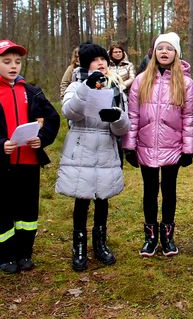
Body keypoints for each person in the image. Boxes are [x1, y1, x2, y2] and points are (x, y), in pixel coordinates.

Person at [56, 42, 130, 272]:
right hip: (82, 148)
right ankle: (79, 247)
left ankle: (100, 244)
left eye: (103, 59)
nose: (101, 63)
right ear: (86, 64)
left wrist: (116, 118)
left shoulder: (115, 87)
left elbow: (123, 127)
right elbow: (70, 112)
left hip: (106, 148)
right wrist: (86, 89)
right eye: (96, 60)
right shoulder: (75, 85)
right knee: (82, 199)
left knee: (102, 198)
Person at [123, 32, 193, 257]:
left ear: (176, 53)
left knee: (169, 191)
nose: (164, 52)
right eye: (160, 48)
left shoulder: (186, 83)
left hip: (172, 147)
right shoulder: (141, 80)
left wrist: (188, 149)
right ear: (154, 52)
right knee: (149, 191)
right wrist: (129, 146)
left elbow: (189, 118)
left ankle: (167, 237)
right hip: (146, 146)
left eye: (169, 48)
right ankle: (150, 237)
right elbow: (133, 115)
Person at [0, 40, 60, 274]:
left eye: (17, 62)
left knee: (28, 211)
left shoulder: (32, 91)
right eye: (6, 62)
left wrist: (41, 139)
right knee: (5, 209)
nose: (13, 66)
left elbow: (52, 118)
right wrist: (1, 144)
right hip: (3, 165)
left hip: (29, 162)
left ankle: (25, 253)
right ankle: (6, 256)